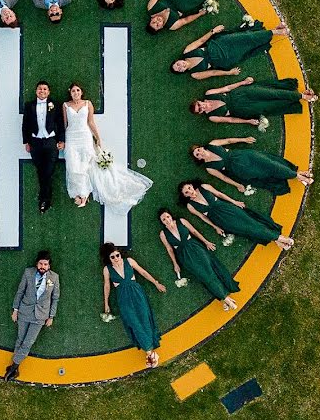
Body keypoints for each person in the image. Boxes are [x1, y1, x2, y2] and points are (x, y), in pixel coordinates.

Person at [63, 82, 152, 212]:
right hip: (71, 138)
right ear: (70, 93)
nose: (75, 93)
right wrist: (62, 139)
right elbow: (65, 123)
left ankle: (83, 195)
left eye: (78, 90)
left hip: (85, 137)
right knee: (72, 165)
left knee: (85, 166)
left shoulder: (87, 104)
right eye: (73, 91)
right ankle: (78, 191)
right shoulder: (66, 105)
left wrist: (98, 137)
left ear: (81, 92)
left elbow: (91, 122)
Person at [158, 209, 239, 311]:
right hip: (184, 256)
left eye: (167, 217)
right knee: (204, 276)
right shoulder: (163, 234)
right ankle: (226, 299)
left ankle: (226, 299)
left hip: (195, 247)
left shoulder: (181, 221)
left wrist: (206, 242)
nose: (167, 220)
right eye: (164, 219)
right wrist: (175, 264)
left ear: (171, 216)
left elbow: (194, 232)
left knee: (211, 270)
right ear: (162, 222)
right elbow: (169, 249)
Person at [100, 242, 165, 368]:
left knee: (144, 319)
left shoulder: (129, 261)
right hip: (123, 298)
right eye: (112, 257)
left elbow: (143, 272)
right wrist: (106, 303)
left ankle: (150, 354)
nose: (116, 258)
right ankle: (150, 353)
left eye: (117, 255)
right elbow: (107, 286)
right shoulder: (107, 269)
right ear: (108, 259)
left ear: (120, 254)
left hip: (137, 293)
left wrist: (156, 283)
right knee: (134, 323)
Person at [178, 180, 294, 250]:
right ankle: (278, 239)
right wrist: (215, 227)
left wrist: (234, 202)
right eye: (186, 192)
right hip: (221, 220)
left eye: (189, 188)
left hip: (228, 209)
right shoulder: (190, 206)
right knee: (248, 230)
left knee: (253, 223)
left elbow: (219, 194)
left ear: (191, 185)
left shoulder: (203, 187)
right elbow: (202, 217)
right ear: (185, 196)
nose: (190, 191)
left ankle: (278, 239)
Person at [4, 250, 60, 381]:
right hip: (24, 311)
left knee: (28, 342)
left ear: (49, 266)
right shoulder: (28, 273)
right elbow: (20, 291)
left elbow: (55, 298)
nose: (43, 266)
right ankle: (15, 368)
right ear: (37, 264)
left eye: (45, 264)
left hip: (40, 315)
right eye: (41, 263)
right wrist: (15, 310)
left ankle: (13, 366)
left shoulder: (54, 278)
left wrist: (51, 316)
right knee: (20, 339)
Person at [171, 22, 289, 79]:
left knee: (246, 37)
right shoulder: (195, 74)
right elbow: (213, 73)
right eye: (179, 69)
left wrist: (213, 31)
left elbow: (201, 41)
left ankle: (275, 32)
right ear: (182, 72)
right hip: (225, 58)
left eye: (177, 64)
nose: (181, 66)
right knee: (248, 47)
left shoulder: (187, 51)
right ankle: (275, 31)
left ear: (178, 60)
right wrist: (229, 72)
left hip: (219, 44)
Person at [192, 139, 313, 195]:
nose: (199, 152)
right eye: (197, 154)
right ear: (198, 158)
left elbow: (228, 141)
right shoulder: (209, 167)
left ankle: (297, 175)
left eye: (198, 150)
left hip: (244, 156)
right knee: (266, 173)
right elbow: (223, 178)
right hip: (241, 170)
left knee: (270, 164)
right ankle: (298, 175)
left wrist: (243, 139)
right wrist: (238, 185)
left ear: (201, 147)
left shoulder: (212, 144)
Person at [21, 81, 65, 213]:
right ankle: (45, 200)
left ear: (48, 92)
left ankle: (44, 200)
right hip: (35, 143)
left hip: (51, 142)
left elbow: (60, 123)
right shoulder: (29, 105)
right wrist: (26, 142)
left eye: (45, 89)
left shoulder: (54, 104)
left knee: (48, 172)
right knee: (41, 172)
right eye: (40, 89)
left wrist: (61, 140)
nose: (42, 91)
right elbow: (25, 125)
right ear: (36, 91)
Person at [191, 77, 318, 121]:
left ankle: (302, 95)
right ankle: (300, 97)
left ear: (199, 101)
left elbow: (227, 88)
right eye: (200, 110)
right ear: (202, 112)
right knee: (271, 105)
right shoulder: (212, 116)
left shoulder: (209, 94)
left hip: (242, 94)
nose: (202, 107)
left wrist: (242, 82)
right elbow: (230, 120)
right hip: (244, 109)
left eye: (199, 104)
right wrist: (248, 121)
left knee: (271, 93)